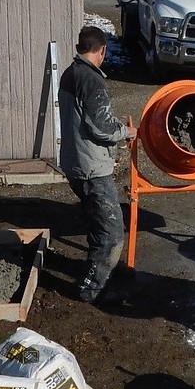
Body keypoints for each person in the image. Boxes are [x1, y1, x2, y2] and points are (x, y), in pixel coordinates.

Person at [58, 26, 138, 303]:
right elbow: (101, 127)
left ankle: (106, 270)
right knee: (111, 234)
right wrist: (127, 132)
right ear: (102, 50)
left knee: (96, 222)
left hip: (75, 162)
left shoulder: (70, 74)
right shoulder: (92, 81)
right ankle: (92, 290)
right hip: (92, 168)